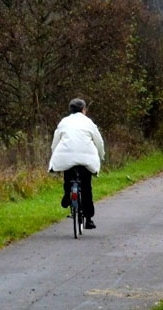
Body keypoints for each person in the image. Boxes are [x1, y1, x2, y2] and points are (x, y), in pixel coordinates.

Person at [48, 98, 105, 229]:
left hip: (66, 157)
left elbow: (55, 142)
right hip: (86, 160)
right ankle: (89, 219)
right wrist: (101, 156)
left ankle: (67, 195)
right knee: (86, 187)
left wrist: (55, 156)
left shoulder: (64, 122)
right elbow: (99, 142)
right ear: (83, 110)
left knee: (68, 177)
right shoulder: (89, 122)